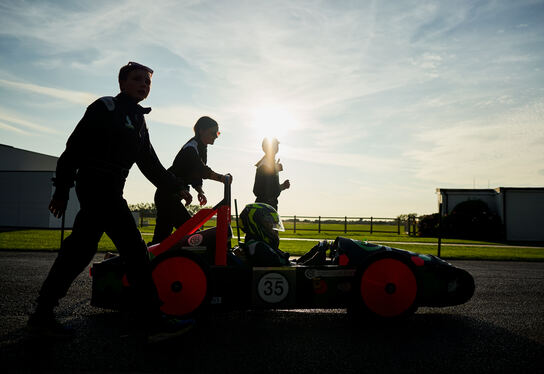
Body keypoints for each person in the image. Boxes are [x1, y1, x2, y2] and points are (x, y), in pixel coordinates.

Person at [28, 62, 193, 341]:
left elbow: (150, 164)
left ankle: (41, 315)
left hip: (113, 189)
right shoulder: (105, 108)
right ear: (123, 83)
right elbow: (73, 149)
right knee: (135, 250)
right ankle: (152, 319)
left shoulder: (140, 121)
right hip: (95, 186)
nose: (144, 84)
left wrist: (177, 187)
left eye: (148, 82)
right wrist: (62, 191)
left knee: (79, 251)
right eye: (137, 79)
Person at [150, 116, 232, 245]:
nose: (216, 136)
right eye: (213, 133)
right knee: (192, 233)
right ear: (201, 131)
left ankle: (141, 261)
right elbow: (201, 169)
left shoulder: (201, 147)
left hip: (170, 194)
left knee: (161, 240)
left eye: (217, 133)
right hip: (168, 194)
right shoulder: (191, 148)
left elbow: (194, 173)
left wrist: (199, 190)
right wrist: (222, 178)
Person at [238, 203, 329, 267]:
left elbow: (290, 263)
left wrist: (315, 250)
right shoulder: (259, 248)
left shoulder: (259, 244)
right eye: (269, 224)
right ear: (256, 223)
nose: (273, 229)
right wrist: (319, 254)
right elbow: (294, 271)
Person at [253, 138, 290, 211]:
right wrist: (275, 170)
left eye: (276, 146)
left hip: (271, 205)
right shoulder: (264, 164)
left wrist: (283, 186)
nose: (276, 148)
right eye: (274, 146)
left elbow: (272, 188)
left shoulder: (271, 164)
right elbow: (259, 190)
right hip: (264, 206)